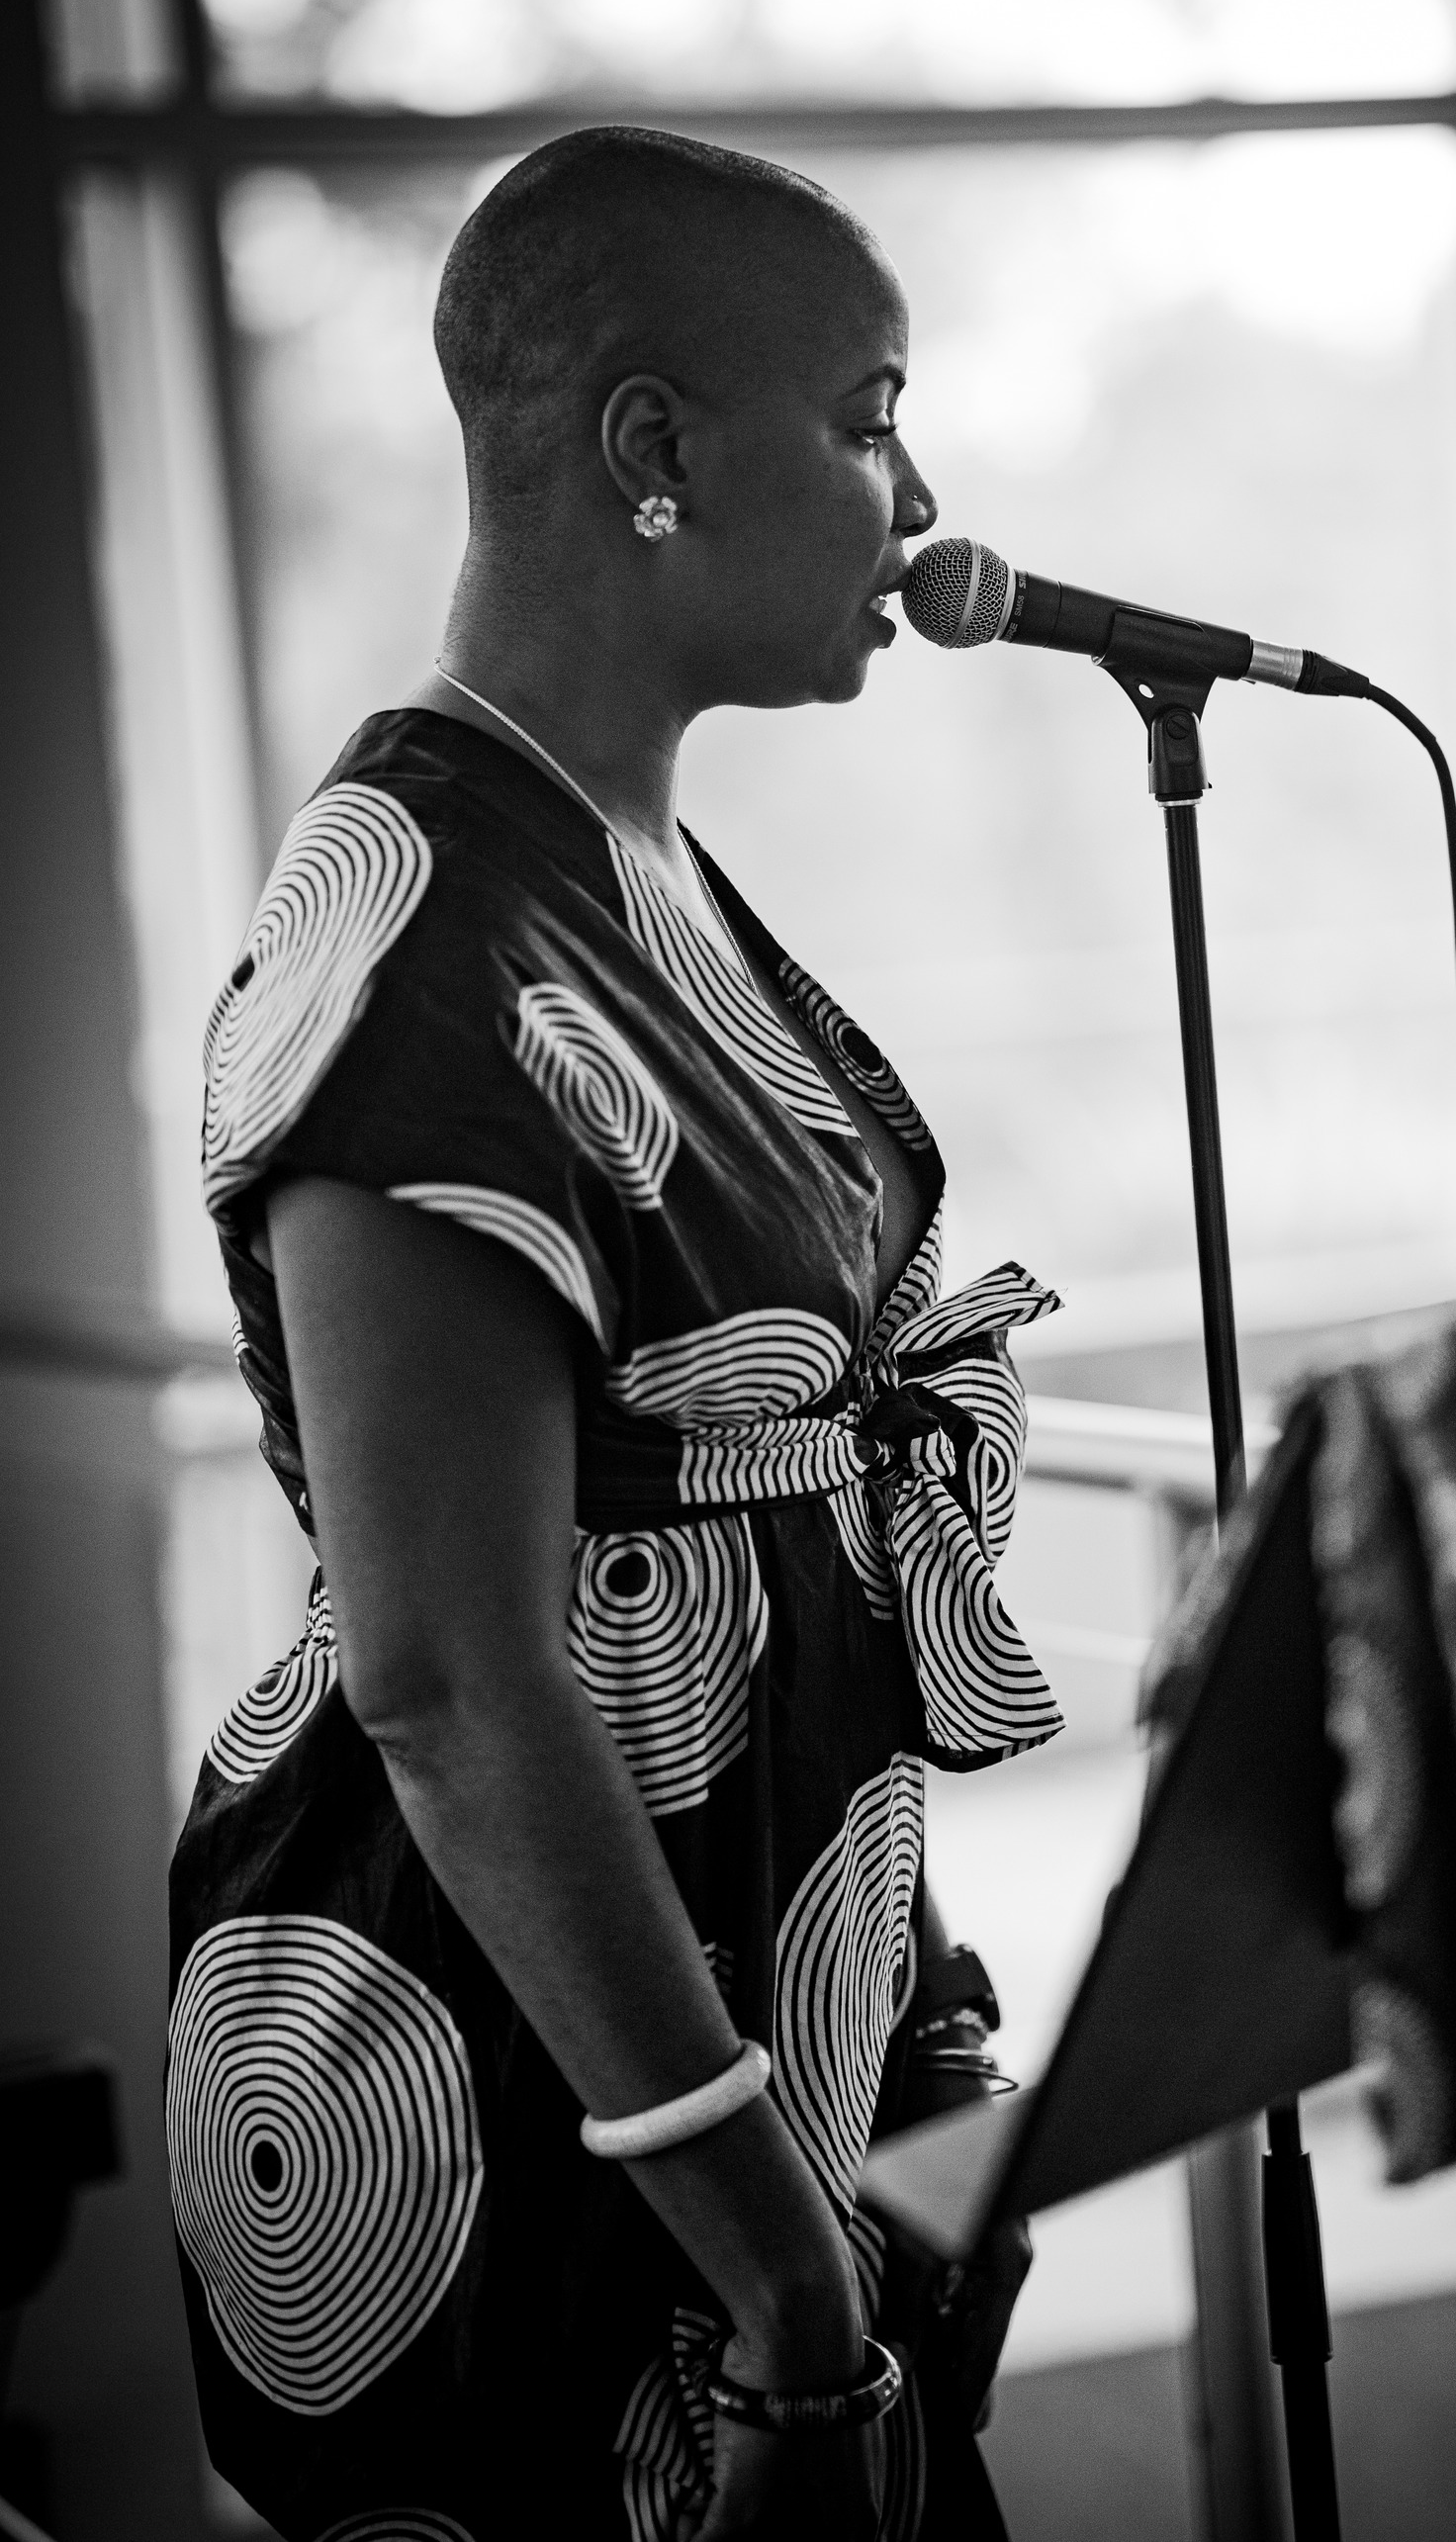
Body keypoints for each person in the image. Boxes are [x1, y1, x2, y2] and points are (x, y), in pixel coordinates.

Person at [166, 126, 1063, 2542]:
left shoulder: (624, 857)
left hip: (770, 2059)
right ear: (652, 446)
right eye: (869, 411)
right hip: (530, 2097)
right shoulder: (422, 932)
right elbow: (453, 1682)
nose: (918, 489)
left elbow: (771, 1507)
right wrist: (782, 2292)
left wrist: (920, 1991)